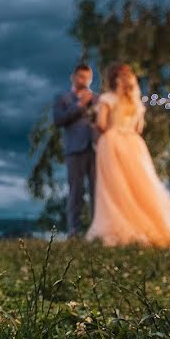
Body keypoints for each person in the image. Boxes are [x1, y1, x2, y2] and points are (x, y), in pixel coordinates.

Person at [85, 63, 170, 247]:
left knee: (115, 188)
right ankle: (153, 226)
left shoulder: (107, 99)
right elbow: (139, 128)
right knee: (140, 185)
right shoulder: (136, 103)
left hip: (111, 142)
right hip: (134, 144)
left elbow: (102, 124)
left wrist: (92, 124)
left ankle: (121, 226)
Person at [52, 63, 98, 237]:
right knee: (76, 191)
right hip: (74, 150)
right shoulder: (63, 98)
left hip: (95, 149)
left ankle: (96, 230)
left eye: (87, 78)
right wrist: (79, 105)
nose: (84, 81)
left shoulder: (97, 98)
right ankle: (74, 230)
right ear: (73, 77)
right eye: (81, 77)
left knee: (97, 192)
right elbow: (58, 120)